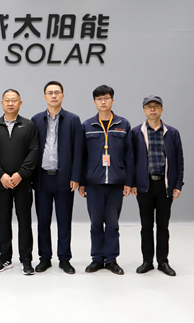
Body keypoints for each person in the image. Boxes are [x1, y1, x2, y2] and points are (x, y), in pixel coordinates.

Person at [80, 85, 133, 275]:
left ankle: (111, 260)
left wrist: (129, 182)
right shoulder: (87, 126)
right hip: (93, 183)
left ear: (112, 100)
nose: (103, 101)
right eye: (99, 98)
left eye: (106, 98)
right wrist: (81, 182)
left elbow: (129, 155)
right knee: (95, 224)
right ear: (94, 102)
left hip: (116, 183)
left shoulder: (123, 124)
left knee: (112, 224)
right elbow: (81, 156)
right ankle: (96, 258)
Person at [31, 81, 83, 274]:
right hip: (42, 178)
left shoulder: (73, 120)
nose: (53, 96)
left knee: (64, 220)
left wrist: (76, 176)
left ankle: (64, 259)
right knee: (43, 221)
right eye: (50, 93)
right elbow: (31, 150)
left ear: (62, 96)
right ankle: (44, 258)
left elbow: (78, 150)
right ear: (44, 96)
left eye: (57, 92)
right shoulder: (36, 120)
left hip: (65, 179)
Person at [0, 89, 39, 275]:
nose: (10, 103)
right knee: (4, 221)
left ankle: (26, 259)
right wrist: (1, 175)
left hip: (23, 183)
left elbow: (34, 151)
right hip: (2, 183)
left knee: (25, 221)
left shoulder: (29, 125)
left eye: (14, 100)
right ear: (1, 103)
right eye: (7, 100)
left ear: (20, 103)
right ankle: (5, 257)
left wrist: (20, 174)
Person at [131, 95, 184, 277]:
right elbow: (131, 160)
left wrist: (178, 184)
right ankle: (147, 261)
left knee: (163, 226)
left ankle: (163, 261)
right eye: (148, 106)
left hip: (164, 185)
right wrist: (132, 183)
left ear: (161, 109)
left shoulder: (172, 133)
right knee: (146, 226)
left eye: (156, 106)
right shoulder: (136, 133)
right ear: (144, 110)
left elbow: (179, 160)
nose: (152, 109)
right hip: (144, 186)